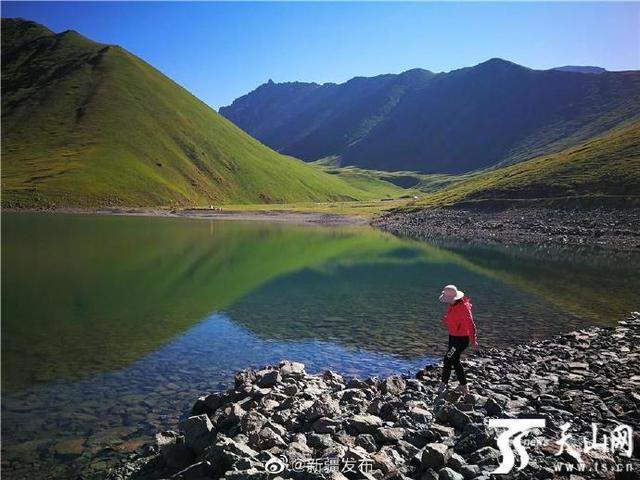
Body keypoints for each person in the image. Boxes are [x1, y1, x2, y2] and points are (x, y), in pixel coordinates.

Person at [437, 284, 478, 394]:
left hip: (461, 340)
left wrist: (473, 340)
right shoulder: (453, 304)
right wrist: (446, 320)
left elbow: (471, 324)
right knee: (454, 360)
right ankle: (463, 386)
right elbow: (453, 316)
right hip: (453, 337)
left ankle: (443, 383)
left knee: (448, 358)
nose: (447, 301)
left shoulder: (464, 308)